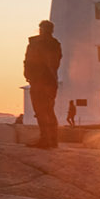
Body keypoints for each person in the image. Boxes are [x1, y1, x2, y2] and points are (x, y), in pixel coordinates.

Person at [23, 20, 64, 149]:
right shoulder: (55, 45)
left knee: (42, 110)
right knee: (47, 110)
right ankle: (51, 140)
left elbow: (30, 61)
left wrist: (30, 74)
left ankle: (46, 140)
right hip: (50, 81)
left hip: (41, 82)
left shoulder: (36, 44)